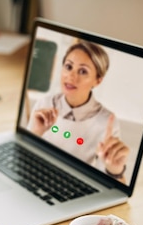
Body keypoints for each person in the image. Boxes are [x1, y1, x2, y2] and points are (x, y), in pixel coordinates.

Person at [27, 40, 130, 183]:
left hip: (73, 185)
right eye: (68, 67)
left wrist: (115, 171)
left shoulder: (106, 122)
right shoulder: (44, 104)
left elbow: (111, 186)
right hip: (35, 176)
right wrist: (35, 132)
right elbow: (24, 155)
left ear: (98, 81)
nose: (71, 76)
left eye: (83, 71)